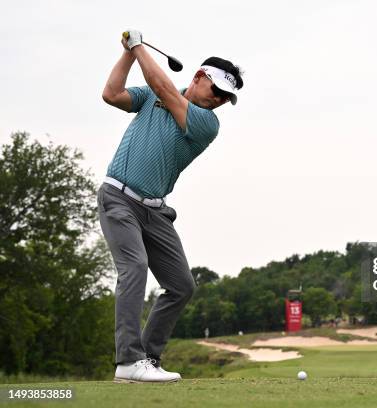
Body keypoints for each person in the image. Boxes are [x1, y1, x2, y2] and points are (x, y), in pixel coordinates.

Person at [98, 29, 244, 383]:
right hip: (118, 197)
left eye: (227, 98)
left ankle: (146, 358)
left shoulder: (206, 123)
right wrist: (130, 54)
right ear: (197, 77)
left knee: (181, 285)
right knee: (134, 268)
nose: (220, 101)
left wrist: (138, 47)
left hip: (155, 212)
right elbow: (111, 94)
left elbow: (165, 88)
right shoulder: (152, 96)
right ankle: (128, 361)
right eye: (217, 91)